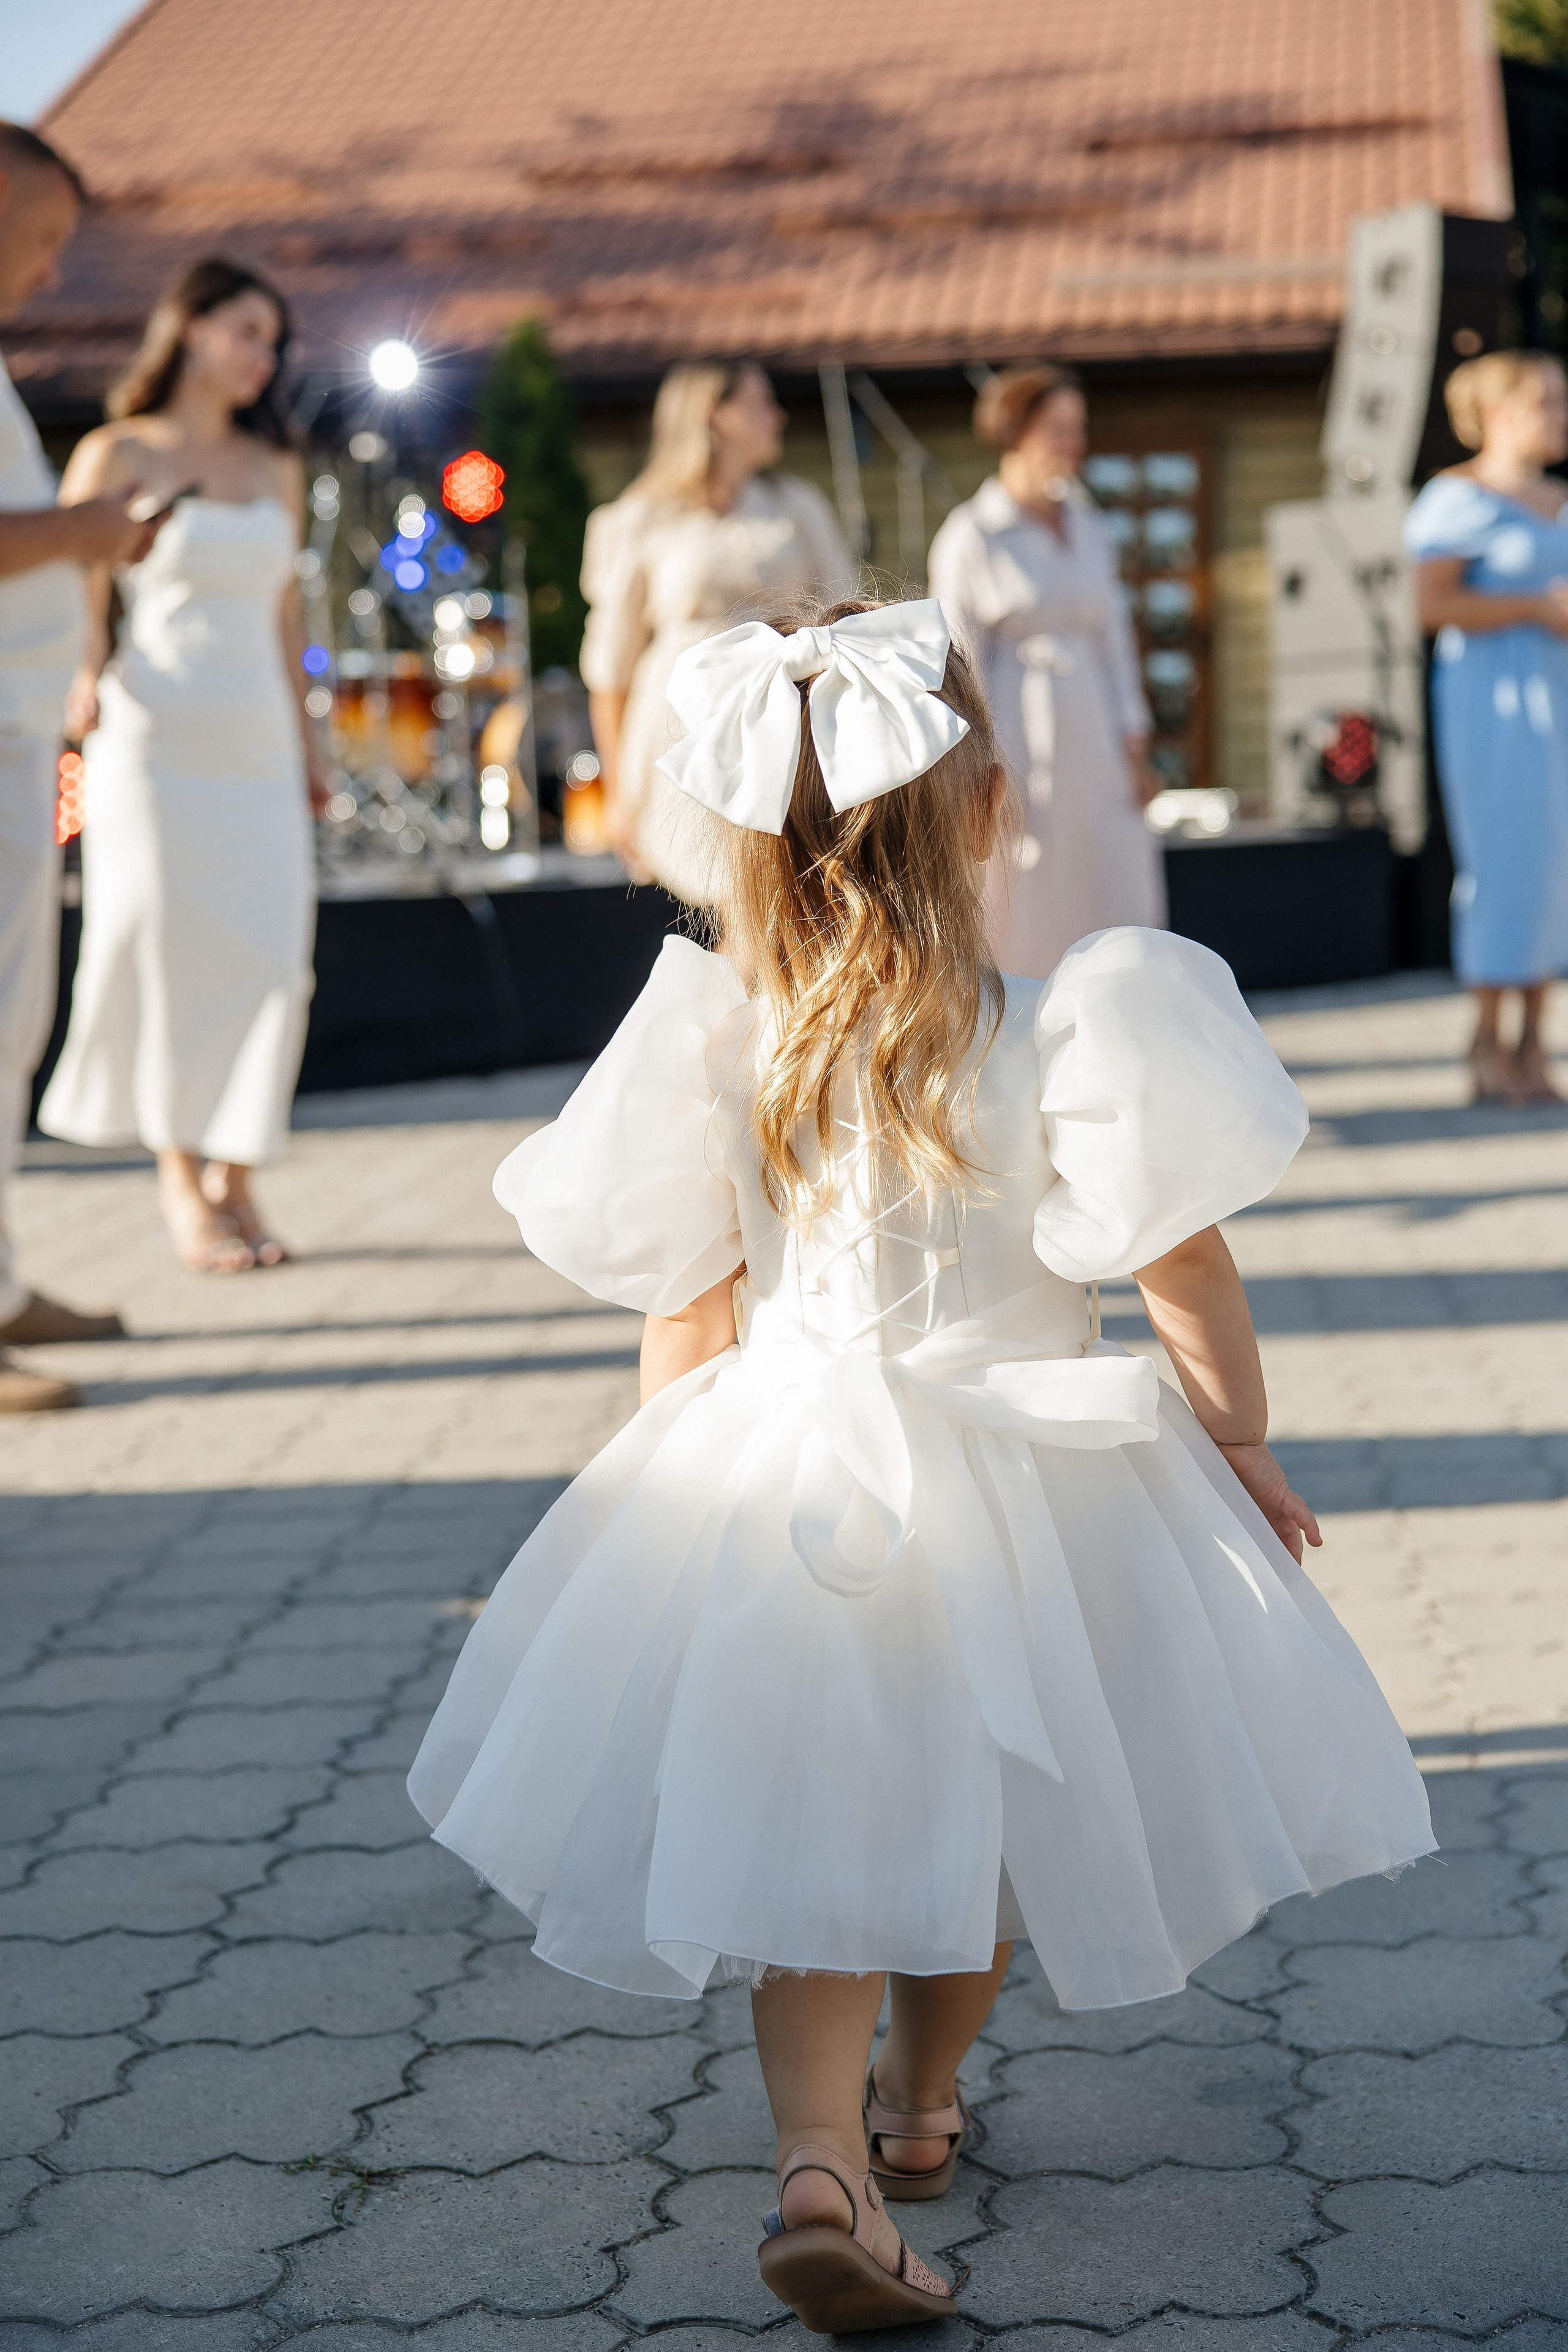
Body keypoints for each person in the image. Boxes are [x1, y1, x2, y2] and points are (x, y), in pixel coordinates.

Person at [409, 597, 1434, 2332]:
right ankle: (927, 2095)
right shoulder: (1071, 1025)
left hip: (790, 1480)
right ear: (984, 808)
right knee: (986, 1826)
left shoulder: (719, 1043)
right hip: (1029, 1486)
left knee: (818, 1829)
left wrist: (668, 1486)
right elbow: (1180, 1261)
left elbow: (686, 1308)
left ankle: (822, 2160)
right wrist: (1239, 1444)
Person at [39, 258, 325, 1269]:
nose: (265, 355)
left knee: (269, 955)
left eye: (275, 341)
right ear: (190, 328)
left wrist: (310, 742)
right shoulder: (114, 450)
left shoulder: (274, 461)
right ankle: (180, 1185)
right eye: (248, 330)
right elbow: (66, 572)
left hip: (253, 730)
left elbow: (288, 616)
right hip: (151, 730)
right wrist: (81, 671)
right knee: (162, 944)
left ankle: (238, 1180)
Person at [0, 121, 159, 1414]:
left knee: (12, 1017)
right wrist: (89, 530)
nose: (52, 276)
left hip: (15, 721)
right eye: (41, 240)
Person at [579, 358, 854, 902]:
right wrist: (615, 792)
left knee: (785, 894)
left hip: (785, 721)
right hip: (680, 730)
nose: (778, 418)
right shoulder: (640, 520)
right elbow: (610, 667)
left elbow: (844, 617)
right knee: (719, 901)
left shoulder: (796, 509)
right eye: (760, 404)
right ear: (716, 415)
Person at [929, 364, 1165, 979]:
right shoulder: (971, 535)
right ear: (1015, 431)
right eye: (1057, 429)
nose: (1073, 444)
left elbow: (1114, 638)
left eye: (1077, 429)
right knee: (1028, 884)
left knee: (1112, 869)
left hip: (1096, 732)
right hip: (1017, 738)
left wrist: (1135, 747)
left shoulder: (1089, 525)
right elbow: (960, 660)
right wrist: (980, 764)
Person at [1406, 350, 1568, 1102]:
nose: (1561, 418)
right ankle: (1485, 1039)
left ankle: (1536, 1042)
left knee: (1554, 870)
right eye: (1549, 404)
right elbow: (1430, 607)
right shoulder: (1454, 498)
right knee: (1503, 864)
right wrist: (1535, 608)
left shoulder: (1557, 499)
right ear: (1502, 414)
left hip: (1556, 695)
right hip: (1492, 704)